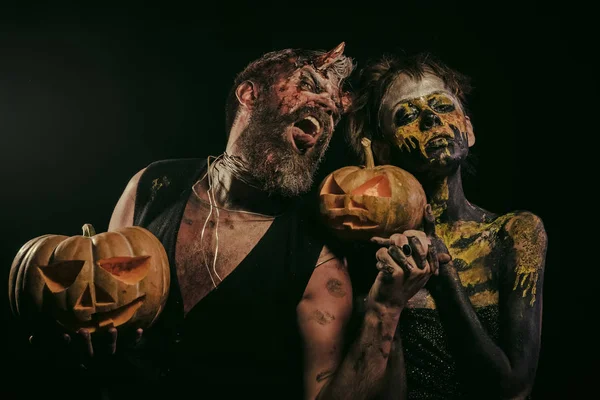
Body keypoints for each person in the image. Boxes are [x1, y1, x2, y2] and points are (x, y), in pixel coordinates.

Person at [18, 44, 439, 400]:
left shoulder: (317, 258)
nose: (327, 108)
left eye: (333, 114)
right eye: (309, 85)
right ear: (249, 94)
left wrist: (385, 309)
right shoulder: (152, 186)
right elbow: (98, 295)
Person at [346, 52, 548, 399]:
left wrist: (444, 278)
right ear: (381, 151)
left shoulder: (514, 235)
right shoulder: (369, 248)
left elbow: (515, 388)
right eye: (407, 114)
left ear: (467, 129)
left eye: (441, 105)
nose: (429, 119)